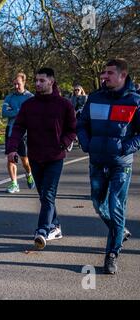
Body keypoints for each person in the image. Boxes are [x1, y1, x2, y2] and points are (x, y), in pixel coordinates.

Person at [77, 58, 140, 274]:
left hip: (120, 165)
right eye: (104, 72)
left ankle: (112, 253)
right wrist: (86, 143)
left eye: (110, 73)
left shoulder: (135, 101)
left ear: (123, 75)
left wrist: (124, 148)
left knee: (116, 207)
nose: (105, 76)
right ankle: (119, 230)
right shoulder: (94, 98)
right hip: (96, 161)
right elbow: (82, 124)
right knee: (98, 204)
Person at [6, 68, 76, 250]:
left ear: (51, 81)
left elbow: (72, 128)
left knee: (48, 195)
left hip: (55, 157)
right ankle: (56, 226)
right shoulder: (29, 105)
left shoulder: (64, 105)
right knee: (44, 195)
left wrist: (63, 143)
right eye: (36, 80)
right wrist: (11, 148)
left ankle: (42, 231)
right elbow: (19, 127)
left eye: (42, 80)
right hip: (35, 157)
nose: (37, 84)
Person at [2, 72, 35, 193]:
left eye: (18, 84)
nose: (16, 86)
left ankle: (29, 173)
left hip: (24, 133)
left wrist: (14, 111)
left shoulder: (30, 97)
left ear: (24, 82)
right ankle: (14, 184)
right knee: (11, 158)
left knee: (24, 160)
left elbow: (31, 115)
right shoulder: (9, 97)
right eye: (14, 84)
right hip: (10, 130)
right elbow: (4, 113)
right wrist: (19, 111)